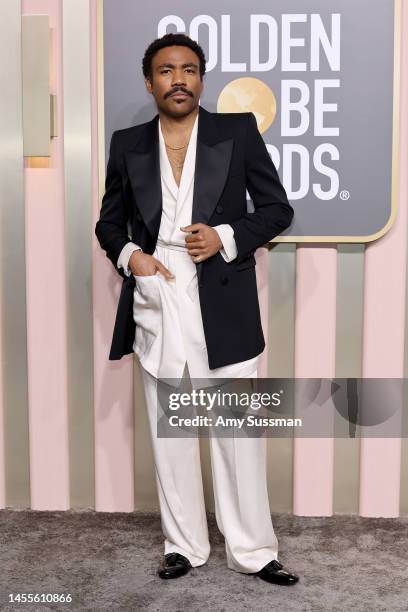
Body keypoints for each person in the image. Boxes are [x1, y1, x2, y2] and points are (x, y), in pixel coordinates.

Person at [95, 32, 298, 585]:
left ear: (201, 79)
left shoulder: (236, 131)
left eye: (188, 69)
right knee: (172, 432)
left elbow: (278, 210)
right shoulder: (128, 142)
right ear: (149, 81)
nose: (178, 79)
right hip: (158, 296)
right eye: (165, 70)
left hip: (223, 296)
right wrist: (131, 255)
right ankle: (183, 544)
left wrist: (227, 235)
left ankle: (254, 550)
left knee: (237, 431)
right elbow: (109, 222)